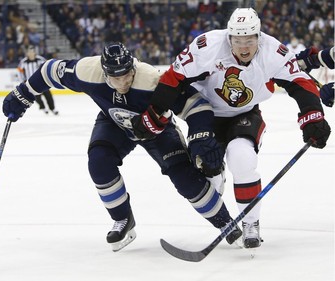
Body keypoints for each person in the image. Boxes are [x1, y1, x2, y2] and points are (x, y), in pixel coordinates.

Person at [2, 42, 243, 252]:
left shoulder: (150, 79)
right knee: (99, 162)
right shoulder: (87, 71)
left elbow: (195, 103)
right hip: (114, 122)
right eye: (115, 78)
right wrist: (22, 94)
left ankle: (225, 222)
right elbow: (48, 71)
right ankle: (122, 220)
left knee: (183, 177)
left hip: (156, 128)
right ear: (105, 72)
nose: (122, 82)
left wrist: (201, 135)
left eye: (127, 75)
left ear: (133, 67)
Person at [131, 8, 331, 249]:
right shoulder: (207, 46)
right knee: (207, 171)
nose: (244, 47)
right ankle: (215, 173)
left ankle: (251, 222)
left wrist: (312, 118)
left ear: (259, 36)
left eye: (249, 40)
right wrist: (154, 114)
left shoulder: (272, 51)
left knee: (242, 159)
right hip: (204, 115)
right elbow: (173, 78)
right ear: (229, 38)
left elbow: (299, 82)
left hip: (244, 114)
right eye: (237, 41)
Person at [17, 45, 59, 115]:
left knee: (48, 95)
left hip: (42, 81)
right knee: (36, 97)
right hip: (30, 83)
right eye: (29, 52)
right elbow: (19, 71)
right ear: (27, 53)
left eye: (32, 52)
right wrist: (23, 81)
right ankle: (43, 107)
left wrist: (48, 78)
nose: (30, 53)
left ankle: (52, 108)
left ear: (34, 53)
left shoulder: (40, 59)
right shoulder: (23, 62)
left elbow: (47, 66)